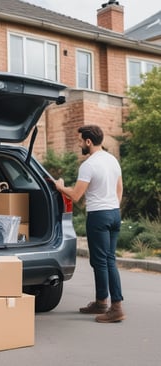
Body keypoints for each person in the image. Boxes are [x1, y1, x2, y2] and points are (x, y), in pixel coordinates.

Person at [54, 124, 125, 323]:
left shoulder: (89, 164)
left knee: (103, 261)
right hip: (113, 213)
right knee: (104, 259)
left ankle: (116, 307)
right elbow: (120, 188)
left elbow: (76, 195)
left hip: (99, 216)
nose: (79, 145)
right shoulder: (112, 160)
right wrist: (113, 207)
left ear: (88, 141)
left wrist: (60, 187)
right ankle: (101, 302)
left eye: (80, 141)